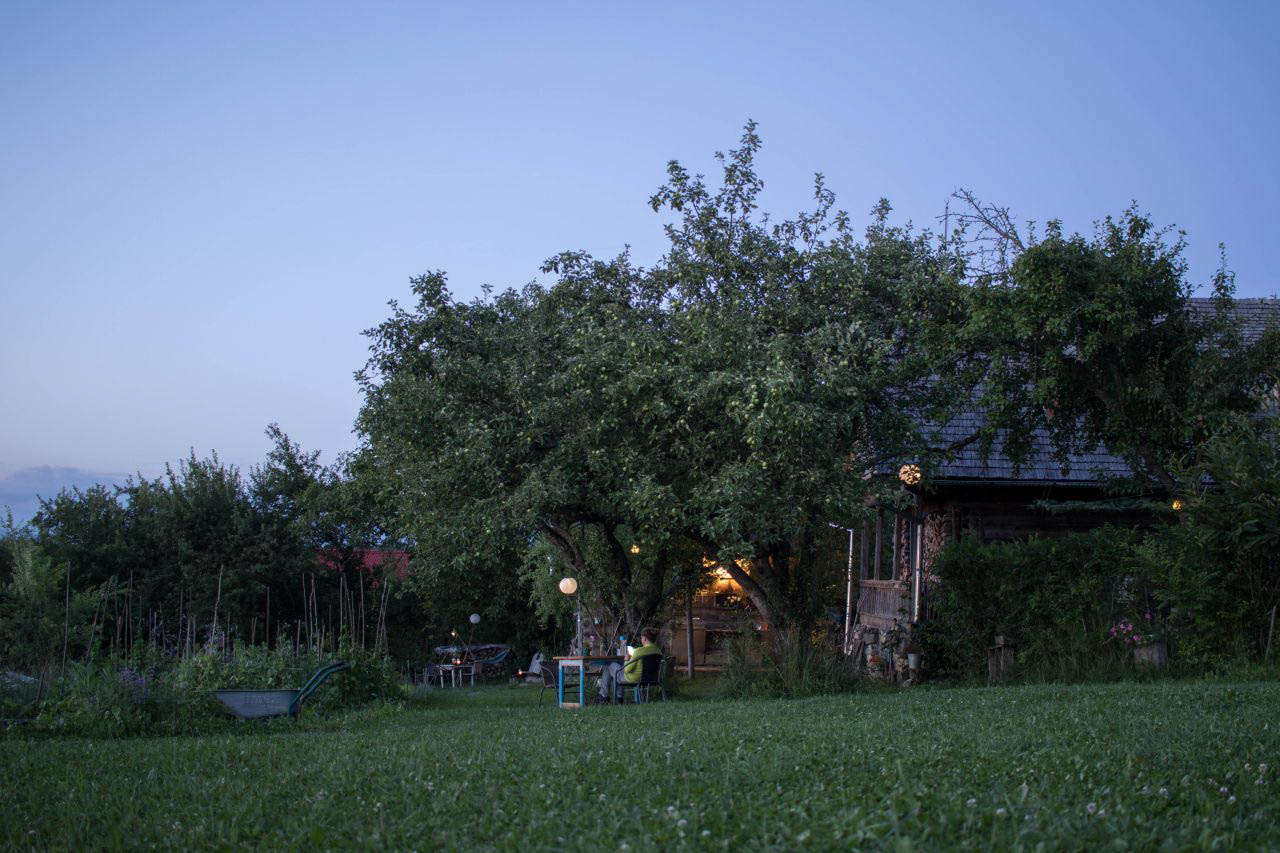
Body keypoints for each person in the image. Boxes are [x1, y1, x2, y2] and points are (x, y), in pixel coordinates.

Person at [597, 627, 661, 702]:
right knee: (618, 669)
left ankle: (604, 696)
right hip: (652, 678)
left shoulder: (639, 651)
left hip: (633, 679)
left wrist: (627, 659)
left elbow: (627, 670)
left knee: (608, 665)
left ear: (644, 638)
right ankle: (618, 698)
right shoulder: (658, 651)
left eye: (641, 638)